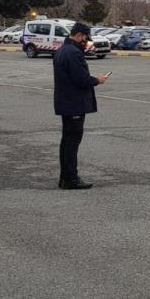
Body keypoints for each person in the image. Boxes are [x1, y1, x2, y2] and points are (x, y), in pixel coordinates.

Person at [53, 22, 109, 190]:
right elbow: (81, 79)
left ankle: (65, 177)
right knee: (72, 142)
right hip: (74, 103)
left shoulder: (63, 50)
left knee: (67, 141)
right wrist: (97, 80)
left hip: (66, 102)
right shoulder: (73, 53)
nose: (86, 42)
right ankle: (70, 178)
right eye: (85, 38)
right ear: (79, 35)